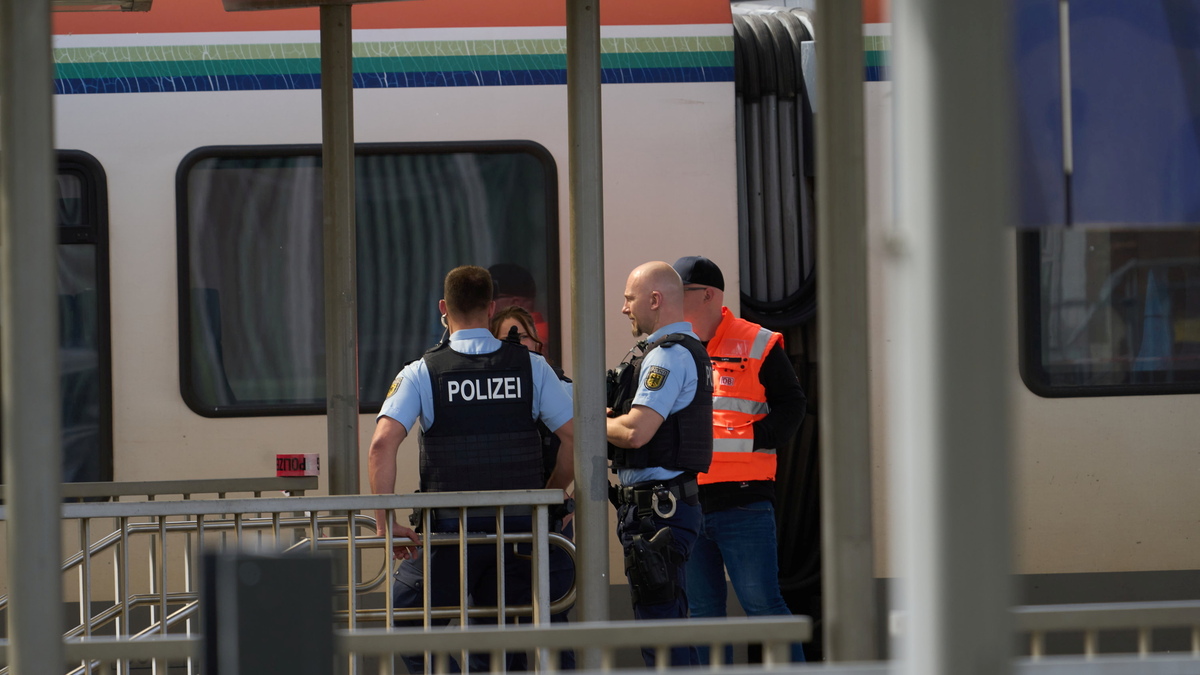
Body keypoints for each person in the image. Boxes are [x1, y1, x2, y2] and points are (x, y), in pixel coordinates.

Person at [368, 265, 575, 673]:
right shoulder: (531, 367)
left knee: (408, 622)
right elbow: (575, 436)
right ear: (491, 307)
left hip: (449, 537)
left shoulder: (422, 371)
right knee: (500, 645)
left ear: (444, 307)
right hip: (516, 533)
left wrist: (384, 522)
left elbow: (381, 445)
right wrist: (547, 494)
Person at [672, 255, 807, 664]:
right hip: (691, 502)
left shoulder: (757, 341)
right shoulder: (674, 346)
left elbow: (793, 406)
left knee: (763, 605)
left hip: (744, 501)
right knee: (704, 616)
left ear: (708, 295)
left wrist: (755, 439)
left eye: (681, 293)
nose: (672, 303)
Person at [605, 261, 713, 668]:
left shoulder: (666, 356)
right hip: (659, 509)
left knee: (661, 632)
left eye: (629, 299)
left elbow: (636, 433)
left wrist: (592, 422)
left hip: (657, 513)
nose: (624, 308)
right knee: (663, 624)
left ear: (655, 299)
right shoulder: (675, 350)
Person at [490, 305, 576, 670]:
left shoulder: (563, 387)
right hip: (500, 523)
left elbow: (577, 449)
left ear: (537, 343)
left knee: (552, 624)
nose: (516, 345)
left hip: (550, 521)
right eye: (506, 338)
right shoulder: (490, 392)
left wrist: (553, 497)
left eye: (521, 335)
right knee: (500, 628)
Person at [489, 263, 550, 352]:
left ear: (515, 303)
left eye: (492, 298)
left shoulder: (535, 338)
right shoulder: (552, 331)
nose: (489, 305)